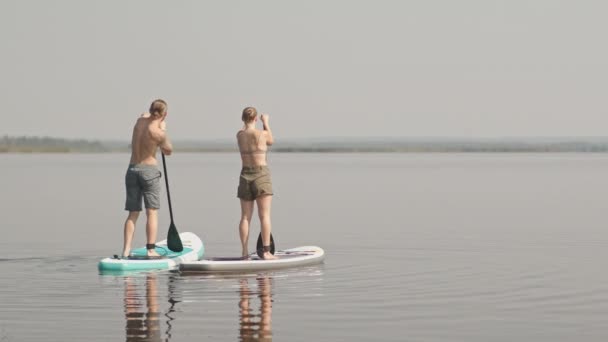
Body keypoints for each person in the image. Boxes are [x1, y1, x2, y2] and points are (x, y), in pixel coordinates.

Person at [121, 99, 173, 258]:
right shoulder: (158, 133)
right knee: (152, 212)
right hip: (149, 171)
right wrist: (163, 129)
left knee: (133, 213)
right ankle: (151, 250)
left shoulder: (139, 122)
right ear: (165, 115)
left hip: (132, 170)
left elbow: (144, 116)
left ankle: (126, 250)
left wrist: (151, 117)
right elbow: (168, 151)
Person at [237, 106, 277, 260]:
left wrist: (250, 121)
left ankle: (244, 252)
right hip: (261, 174)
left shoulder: (239, 135)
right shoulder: (261, 133)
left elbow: (245, 129)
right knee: (264, 215)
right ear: (255, 119)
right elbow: (271, 141)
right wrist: (266, 122)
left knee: (245, 217)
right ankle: (266, 252)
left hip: (245, 174)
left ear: (242, 119)